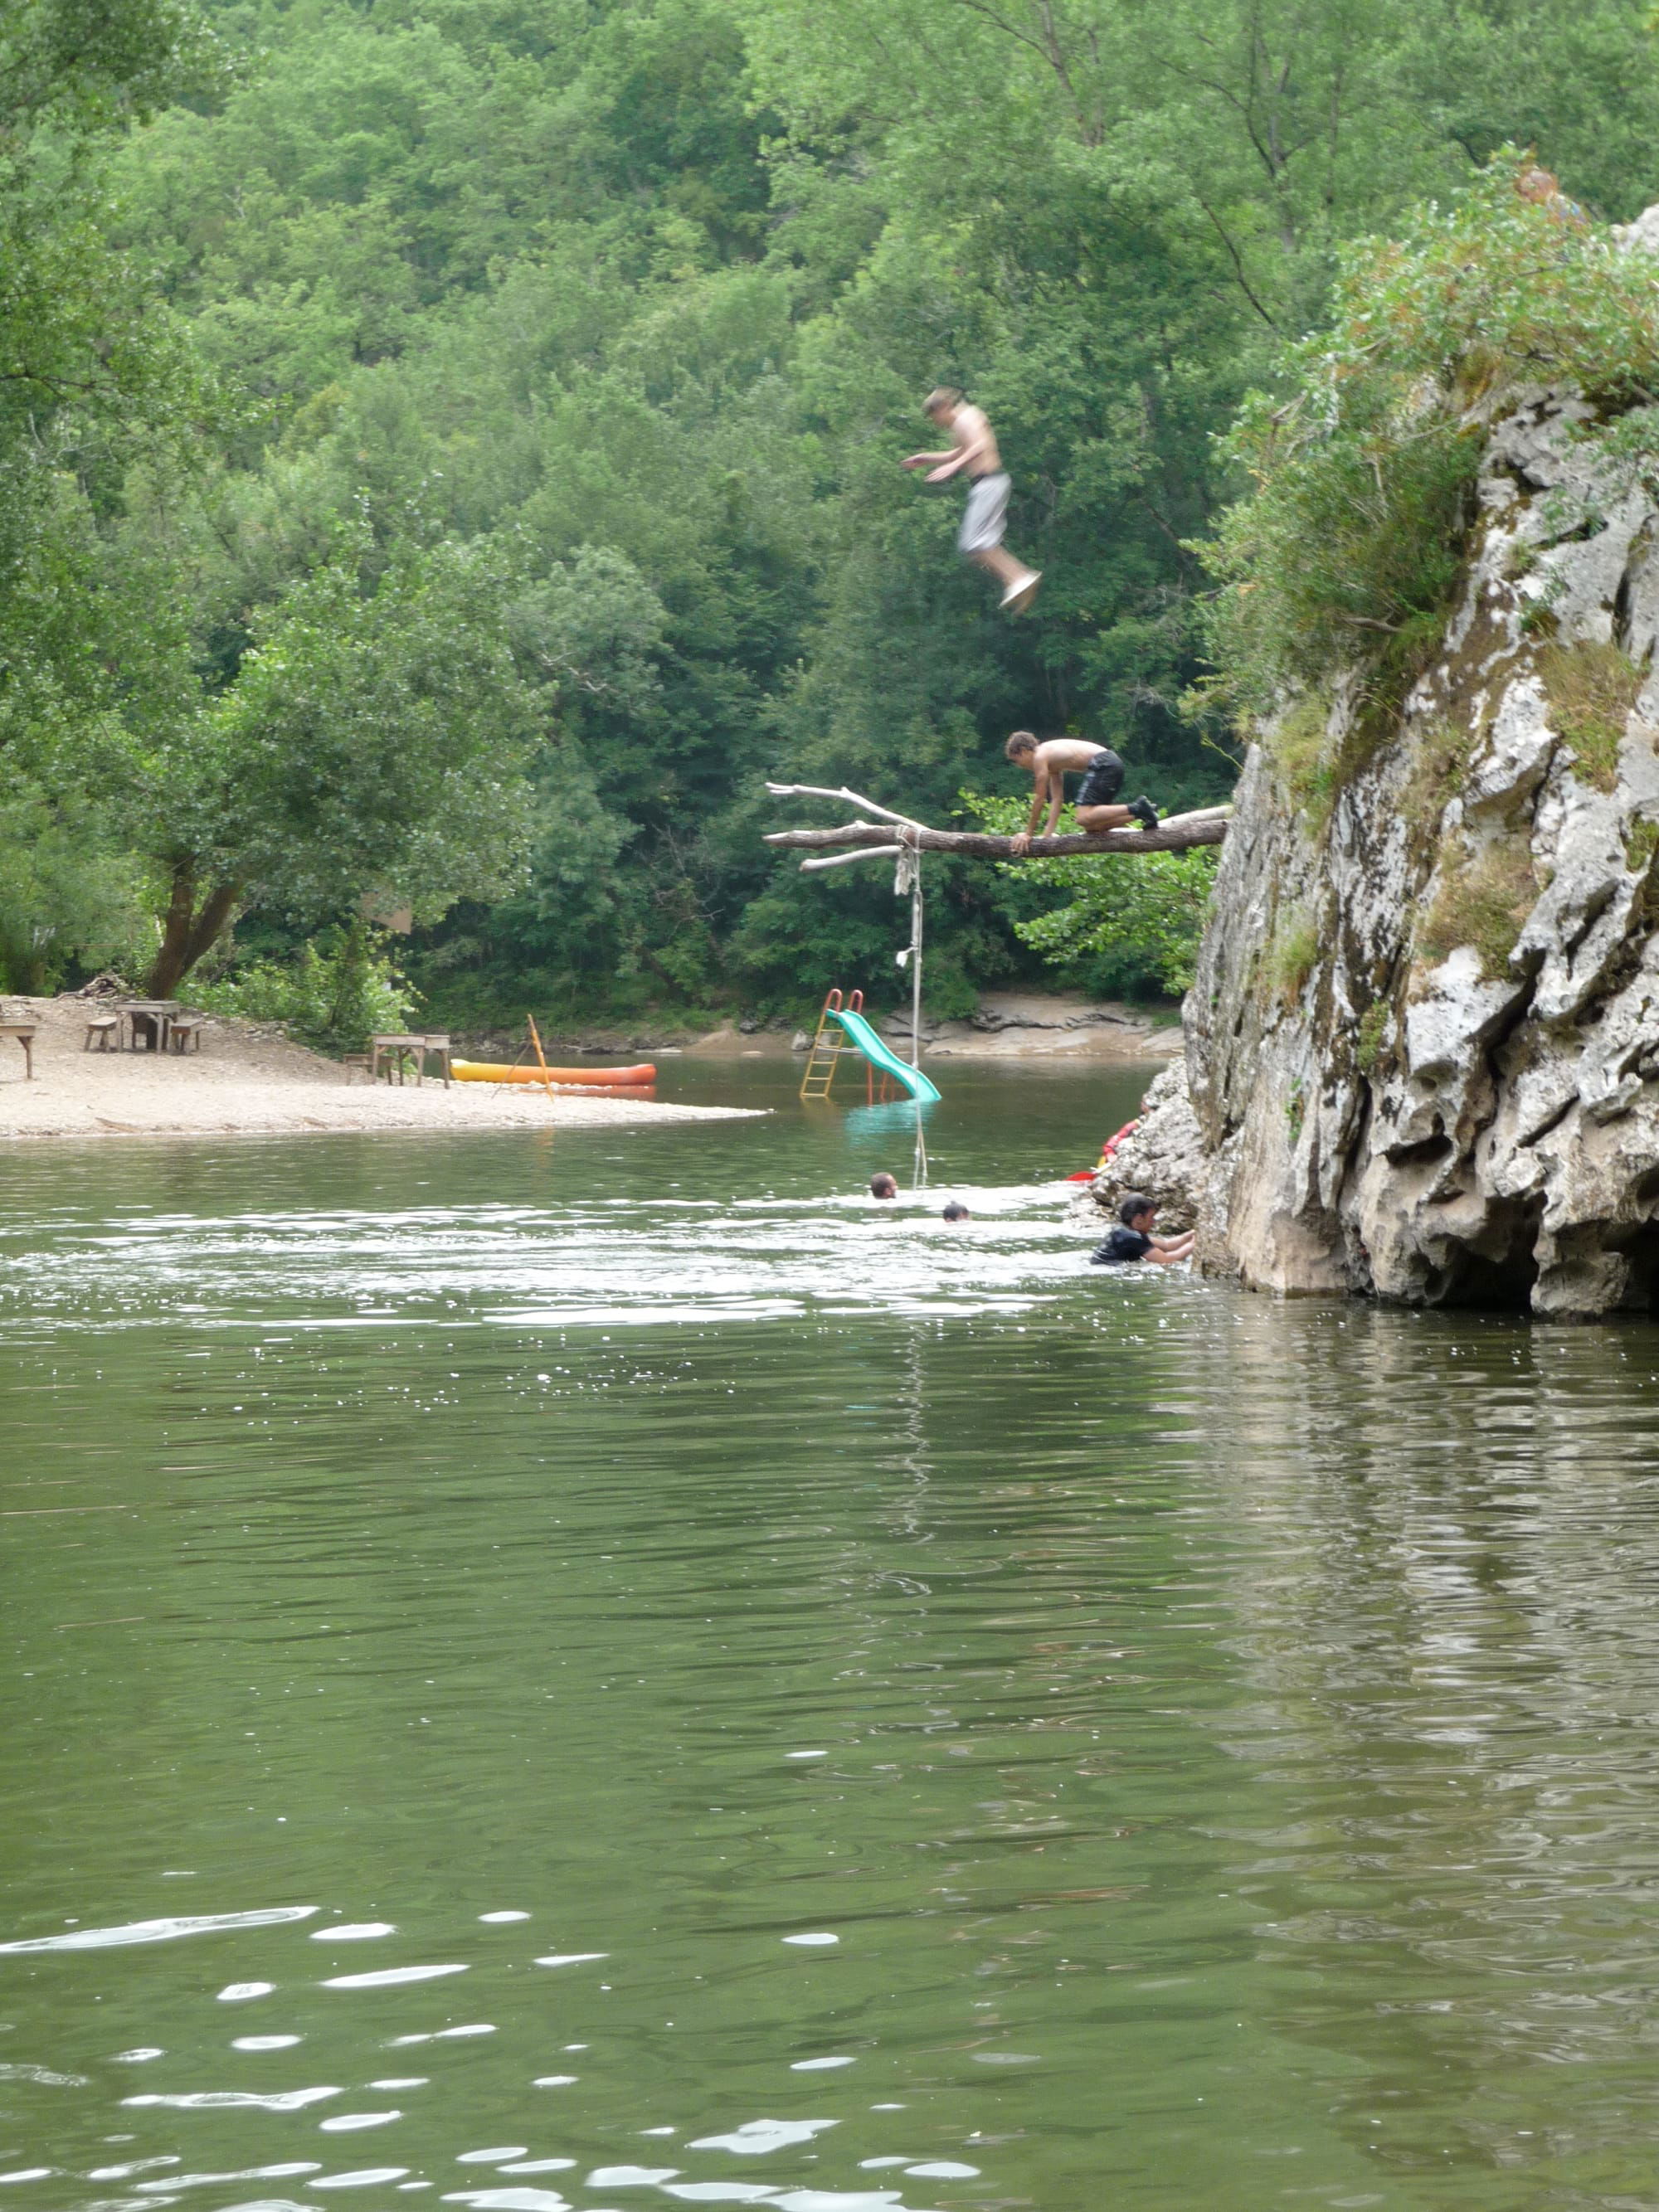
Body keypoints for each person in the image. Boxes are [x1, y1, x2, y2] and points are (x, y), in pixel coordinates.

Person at [902, 387, 1042, 614]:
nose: (936, 423)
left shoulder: (968, 418)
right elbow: (956, 453)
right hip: (988, 485)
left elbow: (981, 446)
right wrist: (926, 458)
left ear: (943, 408)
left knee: (974, 543)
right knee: (978, 546)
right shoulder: (962, 423)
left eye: (934, 417)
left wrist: (954, 467)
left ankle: (1019, 577)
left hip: (989, 484)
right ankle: (1019, 580)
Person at [1004, 730, 1159, 853]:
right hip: (1109, 764)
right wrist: (1047, 835)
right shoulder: (1050, 760)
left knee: (1082, 817)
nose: (1019, 766)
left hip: (1104, 763)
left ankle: (1137, 806)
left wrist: (1028, 834)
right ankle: (1141, 813)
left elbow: (1039, 798)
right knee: (1093, 827)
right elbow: (1057, 799)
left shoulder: (1040, 756)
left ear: (1024, 751)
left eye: (1017, 761)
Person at [1091, 1192, 1194, 1267]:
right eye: (1151, 1217)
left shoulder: (1124, 1232)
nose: (1153, 1222)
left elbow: (1167, 1245)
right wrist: (1194, 1244)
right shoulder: (1132, 1237)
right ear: (1139, 1219)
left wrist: (1193, 1233)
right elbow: (1166, 1260)